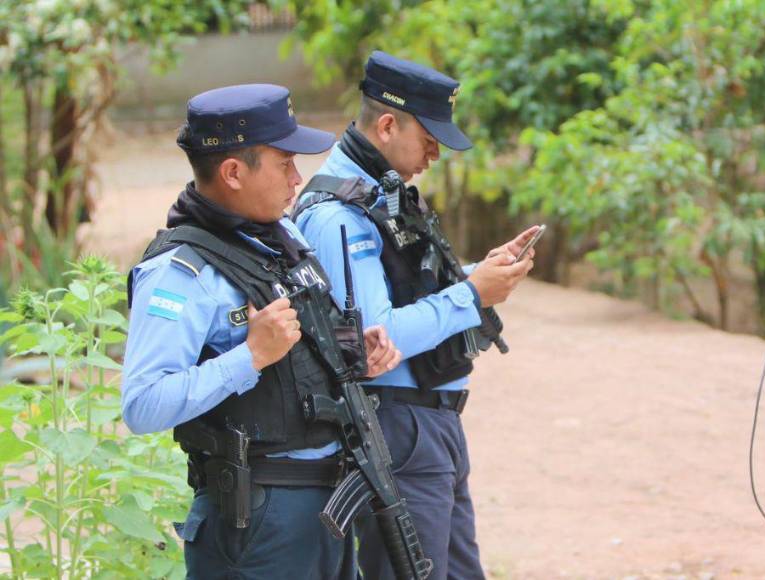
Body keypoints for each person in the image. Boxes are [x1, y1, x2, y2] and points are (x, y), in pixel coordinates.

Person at [121, 84, 402, 579]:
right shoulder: (178, 272)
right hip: (257, 520)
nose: (298, 178)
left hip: (327, 503)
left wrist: (356, 350)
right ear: (233, 172)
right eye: (283, 163)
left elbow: (305, 349)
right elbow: (142, 405)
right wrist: (248, 355)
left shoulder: (281, 236)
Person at [293, 51, 538, 579]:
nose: (435, 153)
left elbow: (403, 288)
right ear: (387, 125)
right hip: (396, 424)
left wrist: (480, 272)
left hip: (431, 422)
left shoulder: (379, 194)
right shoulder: (337, 215)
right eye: (429, 139)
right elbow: (375, 341)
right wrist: (472, 293)